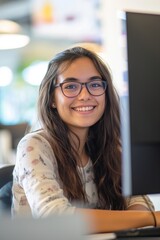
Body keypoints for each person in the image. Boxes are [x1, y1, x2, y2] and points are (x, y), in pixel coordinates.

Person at [12, 46, 160, 233]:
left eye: (95, 84)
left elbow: (138, 201)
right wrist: (151, 218)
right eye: (71, 86)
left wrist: (141, 216)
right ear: (52, 99)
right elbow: (56, 218)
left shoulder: (112, 146)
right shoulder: (34, 146)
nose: (85, 96)